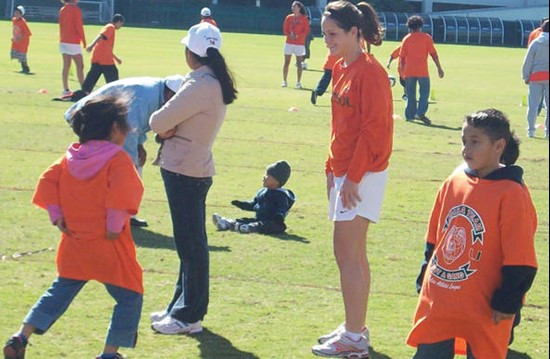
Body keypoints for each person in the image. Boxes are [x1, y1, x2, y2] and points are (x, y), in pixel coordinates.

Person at [2, 95, 145, 359]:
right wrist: (114, 225)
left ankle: (21, 336)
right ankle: (110, 353)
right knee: (130, 297)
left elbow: (47, 182)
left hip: (76, 241)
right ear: (115, 128)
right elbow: (122, 193)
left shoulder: (69, 158)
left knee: (59, 291)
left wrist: (57, 216)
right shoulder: (118, 160)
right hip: (109, 244)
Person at [407, 109, 538, 359]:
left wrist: (508, 300)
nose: (466, 148)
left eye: (475, 142)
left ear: (499, 145)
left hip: (485, 305)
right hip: (442, 298)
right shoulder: (454, 180)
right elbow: (436, 234)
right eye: (464, 141)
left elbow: (521, 256)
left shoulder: (512, 193)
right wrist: (425, 274)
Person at [310, 2, 393, 358]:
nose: (326, 40)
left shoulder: (370, 72)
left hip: (364, 172)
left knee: (347, 253)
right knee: (351, 253)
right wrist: (332, 168)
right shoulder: (341, 65)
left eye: (333, 34)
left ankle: (355, 338)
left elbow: (374, 131)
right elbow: (340, 126)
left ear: (355, 33)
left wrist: (354, 177)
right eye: (324, 33)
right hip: (346, 170)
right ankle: (354, 327)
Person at [148, 22, 237, 335]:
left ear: (192, 52)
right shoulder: (210, 81)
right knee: (189, 244)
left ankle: (189, 315)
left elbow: (157, 120)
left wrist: (166, 126)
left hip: (185, 169)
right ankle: (180, 307)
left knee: (191, 245)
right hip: (191, 167)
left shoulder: (200, 84)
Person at [64, 75, 184, 227]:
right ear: (170, 93)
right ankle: (105, 212)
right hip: (90, 121)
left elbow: (136, 125)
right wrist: (130, 161)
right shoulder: (148, 96)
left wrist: (139, 146)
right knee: (114, 168)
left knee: (133, 165)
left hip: (103, 123)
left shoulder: (156, 92)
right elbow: (129, 129)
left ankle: (126, 213)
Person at [212, 160, 296, 235]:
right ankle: (226, 223)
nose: (264, 177)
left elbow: (282, 208)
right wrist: (242, 204)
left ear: (277, 181)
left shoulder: (281, 195)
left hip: (273, 222)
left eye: (268, 175)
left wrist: (279, 216)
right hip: (259, 219)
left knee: (268, 225)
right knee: (246, 220)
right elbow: (254, 205)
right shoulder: (262, 192)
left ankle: (247, 228)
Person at [399, 15, 444, 125]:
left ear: (409, 27)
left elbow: (402, 58)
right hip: (423, 71)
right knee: (424, 93)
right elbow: (434, 54)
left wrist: (401, 73)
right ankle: (420, 112)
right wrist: (439, 68)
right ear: (420, 26)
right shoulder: (426, 38)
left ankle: (410, 116)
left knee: (410, 94)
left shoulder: (406, 39)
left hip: (409, 71)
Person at [81, 14, 125, 94]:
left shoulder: (109, 27)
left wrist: (116, 58)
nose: (121, 26)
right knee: (113, 76)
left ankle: (83, 93)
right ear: (118, 22)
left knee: (92, 77)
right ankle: (115, 95)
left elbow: (107, 47)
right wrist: (91, 45)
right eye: (121, 24)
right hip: (105, 59)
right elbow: (101, 35)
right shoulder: (110, 27)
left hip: (97, 57)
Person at [522, 20, 549, 139]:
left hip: (536, 76)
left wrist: (526, 76)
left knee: (533, 106)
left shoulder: (536, 42)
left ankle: (531, 131)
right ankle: (548, 132)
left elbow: (528, 61)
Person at [58, 0, 86, 95]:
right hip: (73, 41)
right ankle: (84, 89)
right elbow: (79, 26)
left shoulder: (63, 9)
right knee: (80, 66)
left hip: (63, 40)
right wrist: (84, 40)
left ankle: (65, 89)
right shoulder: (76, 10)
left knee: (66, 65)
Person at [282, 1, 310, 89]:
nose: (293, 8)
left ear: (299, 8)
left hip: (299, 44)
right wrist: (289, 35)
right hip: (289, 42)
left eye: (295, 7)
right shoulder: (288, 18)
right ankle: (284, 81)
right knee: (286, 62)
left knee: (299, 63)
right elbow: (285, 29)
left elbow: (306, 31)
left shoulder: (304, 18)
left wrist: (298, 36)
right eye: (292, 7)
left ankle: (298, 82)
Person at [11, 5, 31, 74]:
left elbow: (28, 33)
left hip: (23, 41)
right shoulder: (14, 20)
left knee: (22, 55)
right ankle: (24, 67)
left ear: (21, 14)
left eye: (18, 13)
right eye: (15, 12)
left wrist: (20, 38)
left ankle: (25, 68)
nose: (16, 14)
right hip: (17, 41)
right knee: (18, 53)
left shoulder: (23, 22)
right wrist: (13, 37)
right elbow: (15, 29)